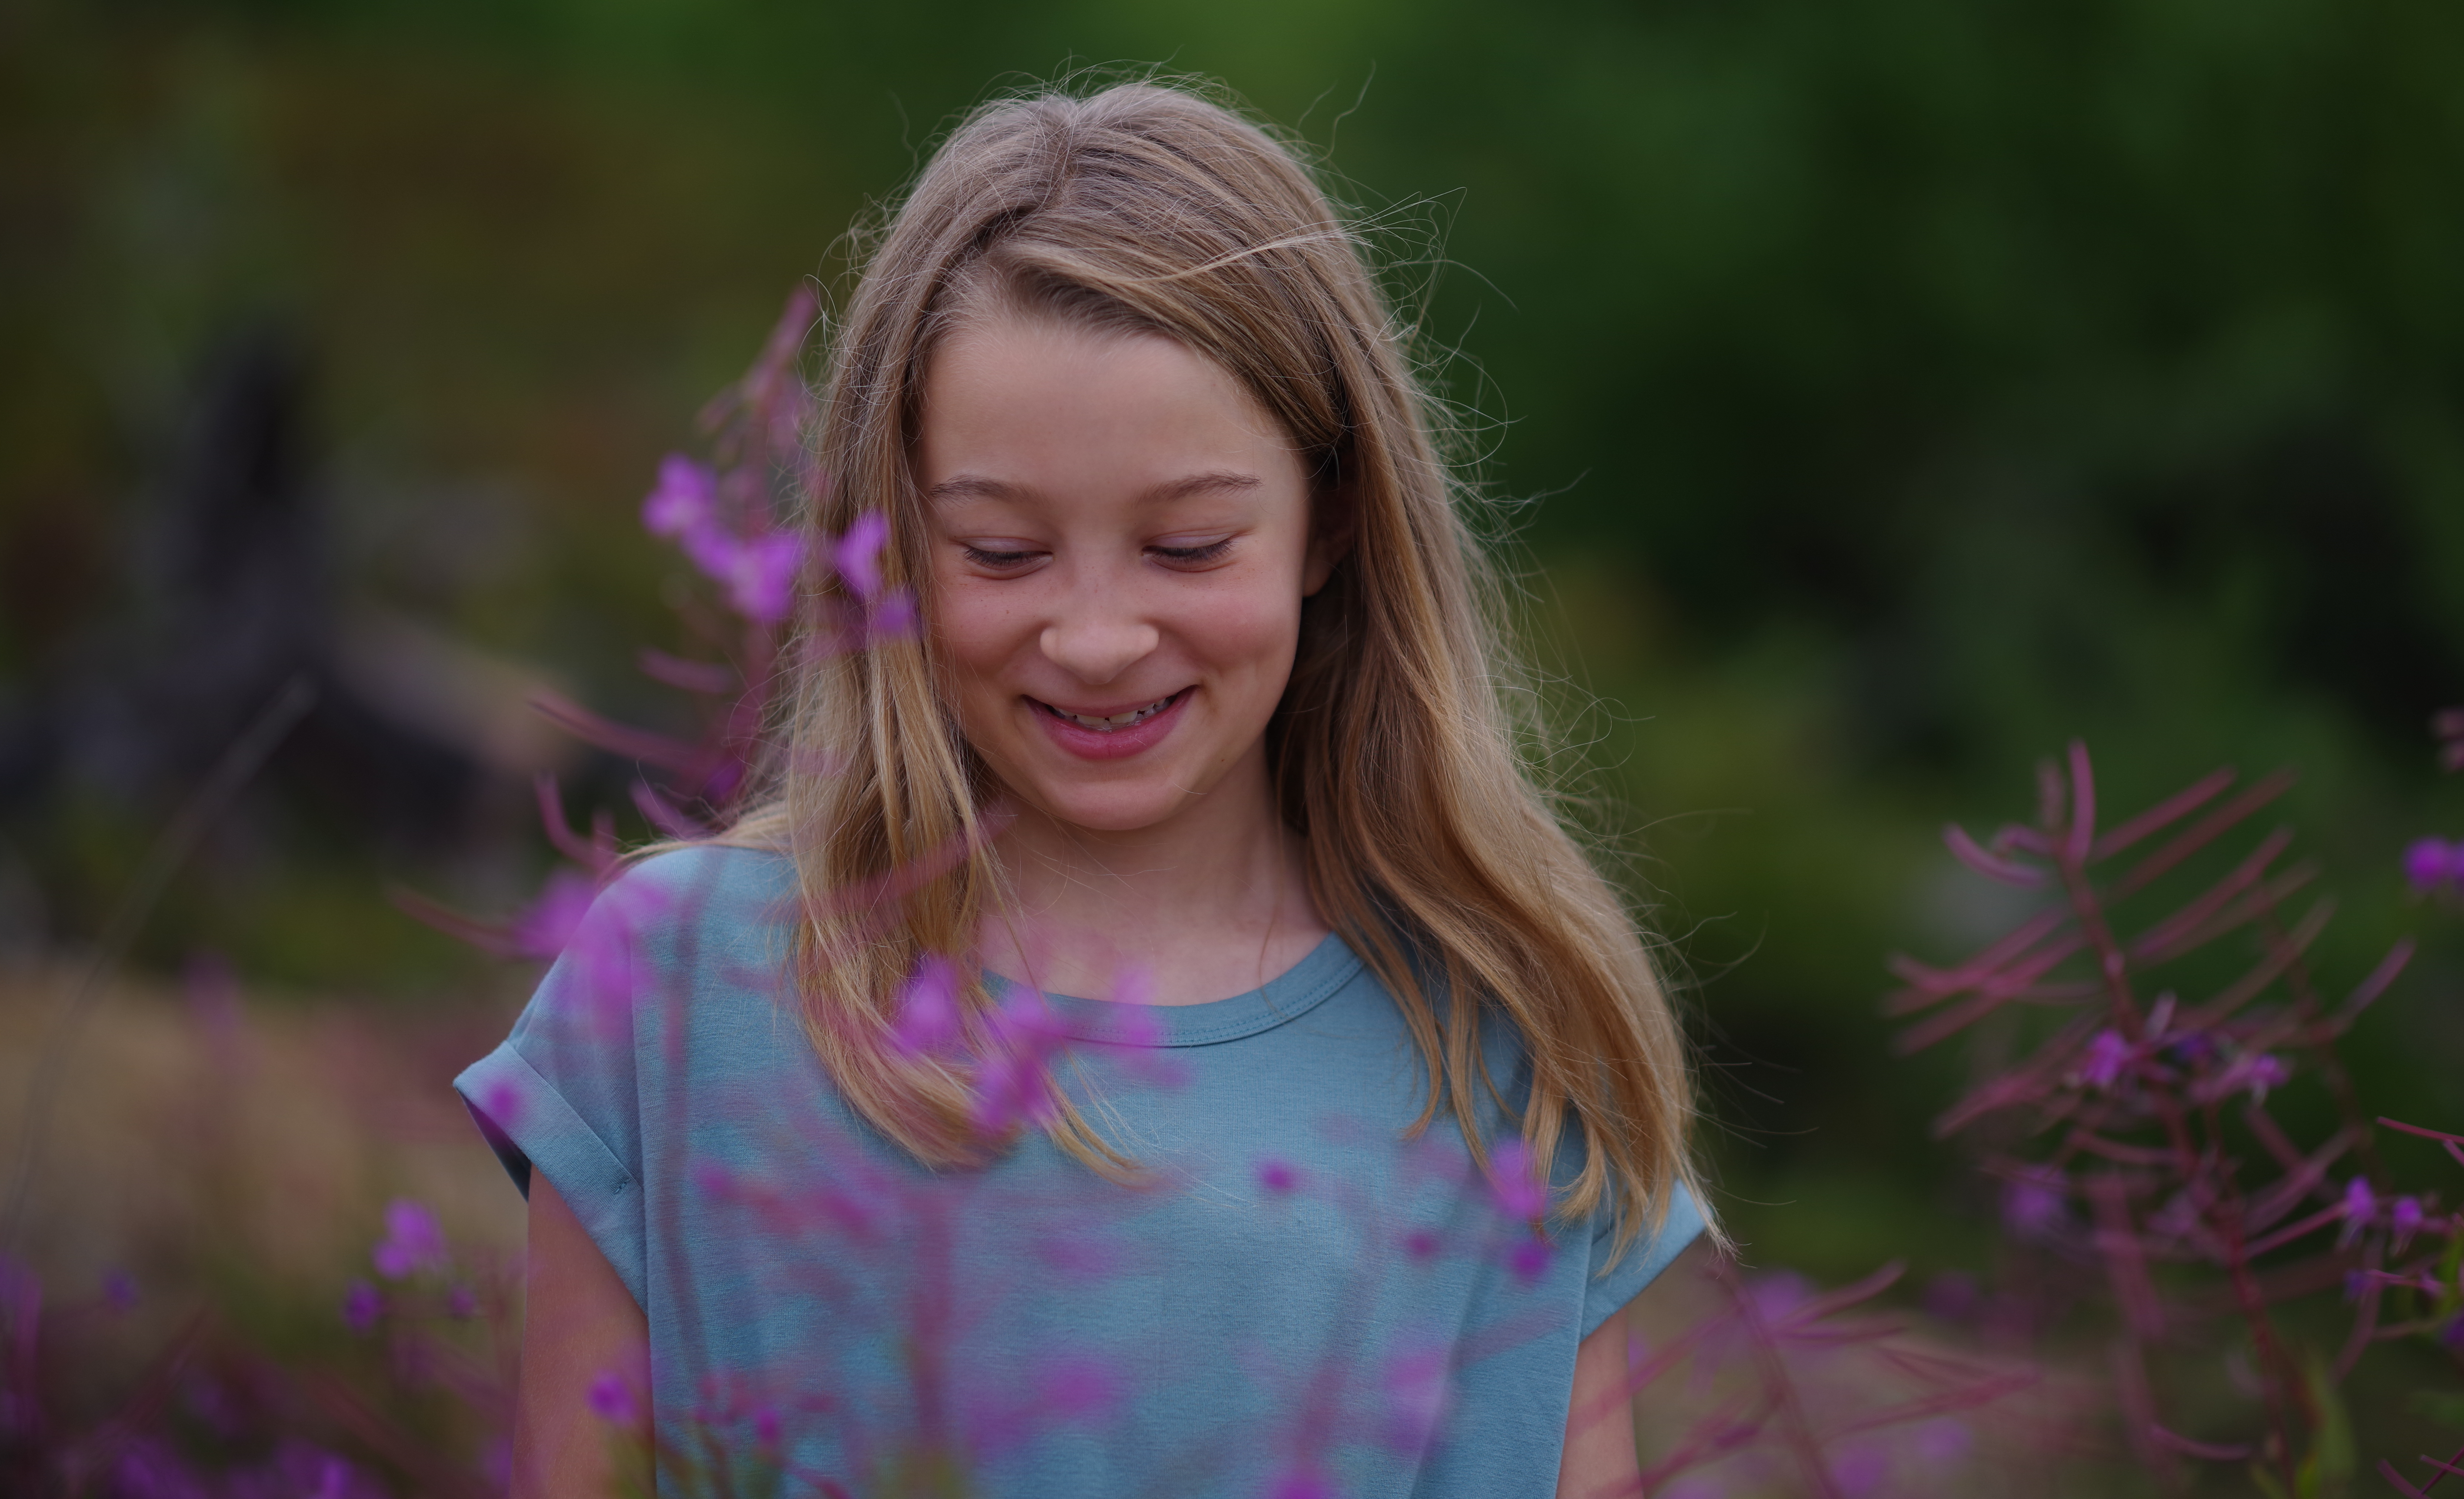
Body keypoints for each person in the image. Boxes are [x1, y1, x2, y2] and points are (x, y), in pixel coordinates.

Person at [458, 82, 1713, 1499]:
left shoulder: (1500, 1060)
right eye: (1000, 552)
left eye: (1187, 548)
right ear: (887, 540)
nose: (1098, 639)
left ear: (1333, 522)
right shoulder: (681, 990)